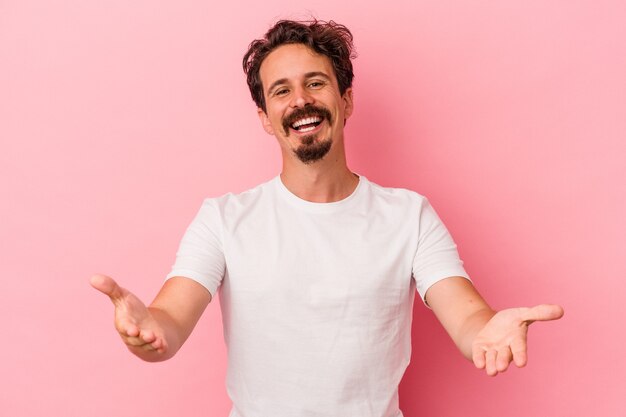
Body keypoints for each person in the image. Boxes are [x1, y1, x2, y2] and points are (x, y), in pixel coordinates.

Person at [90, 19, 564, 417]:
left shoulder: (409, 215)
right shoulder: (222, 219)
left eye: (315, 82)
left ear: (346, 101)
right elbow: (170, 320)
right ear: (265, 116)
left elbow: (465, 315)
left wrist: (488, 330)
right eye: (282, 90)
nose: (300, 100)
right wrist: (146, 333)